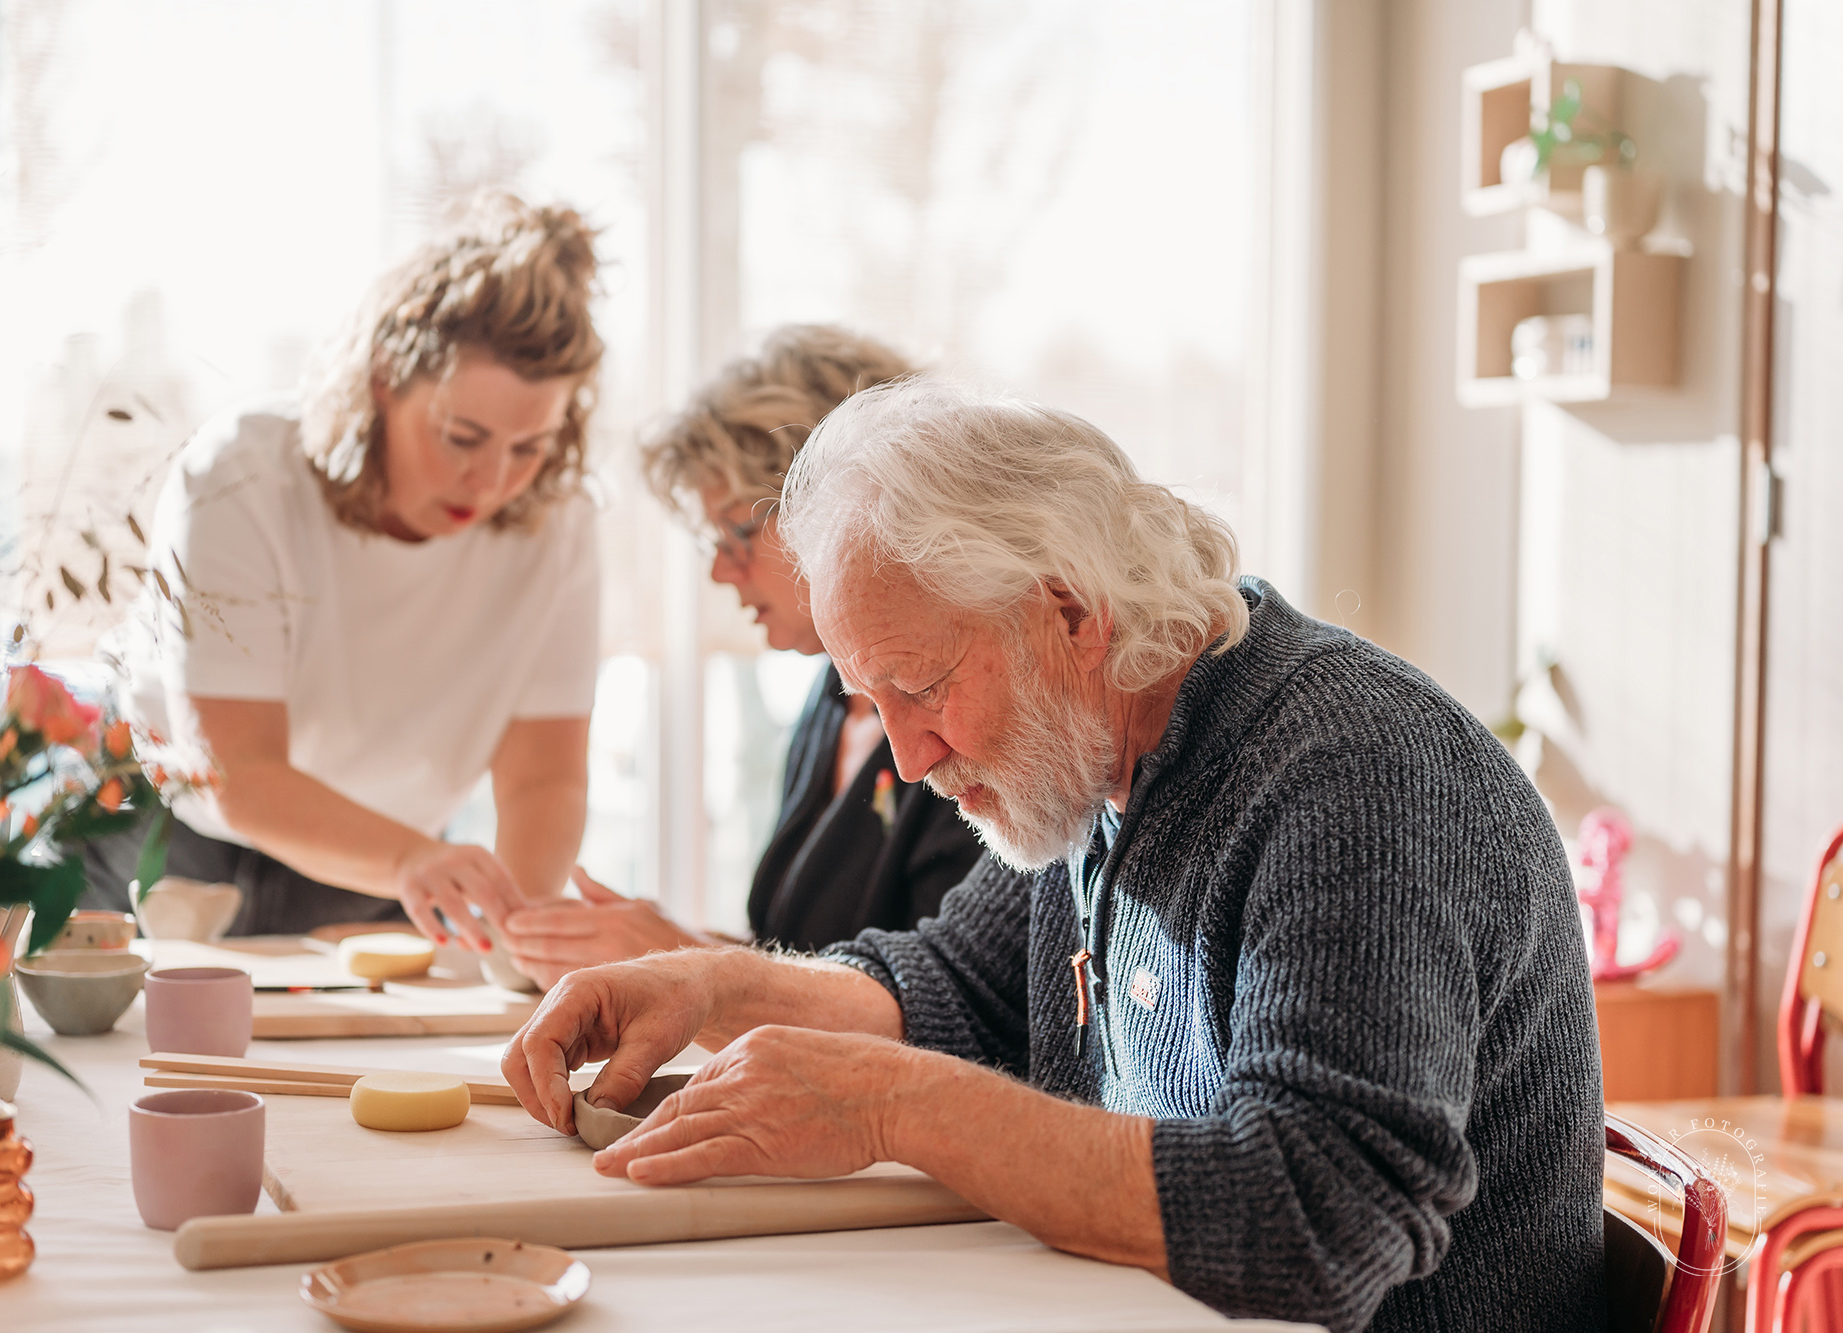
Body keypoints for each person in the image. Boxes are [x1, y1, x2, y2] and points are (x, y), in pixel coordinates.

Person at [500, 380, 1606, 1332]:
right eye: (871, 700)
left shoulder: (1355, 775)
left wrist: (896, 1104)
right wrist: (706, 985)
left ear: (1068, 612)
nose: (908, 754)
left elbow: (1318, 1221)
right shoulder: (1084, 760)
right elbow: (948, 987)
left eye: (924, 688)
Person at [87, 193, 604, 948]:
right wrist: (414, 861)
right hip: (173, 846)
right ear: (386, 378)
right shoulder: (243, 475)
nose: (491, 480)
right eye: (462, 436)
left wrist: (519, 928)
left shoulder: (562, 524)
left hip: (384, 870)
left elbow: (543, 779)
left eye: (529, 448)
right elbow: (238, 768)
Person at [499, 327, 985, 987]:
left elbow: (949, 1004)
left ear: (845, 505)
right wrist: (648, 951)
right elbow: (798, 954)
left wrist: (679, 956)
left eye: (738, 532)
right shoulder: (830, 700)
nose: (721, 574)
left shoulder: (970, 720)